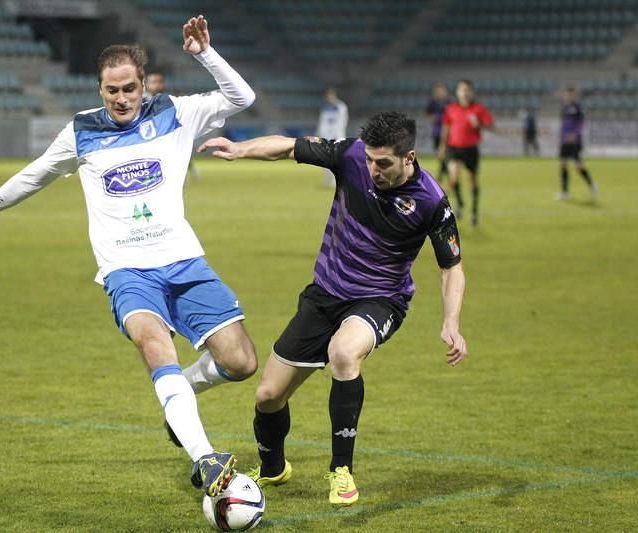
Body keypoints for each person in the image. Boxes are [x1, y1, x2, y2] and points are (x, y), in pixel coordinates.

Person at [0, 16, 257, 498]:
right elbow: (32, 176)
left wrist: (203, 54)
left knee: (241, 361)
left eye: (129, 88)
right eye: (112, 91)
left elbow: (242, 99)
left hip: (185, 261)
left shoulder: (175, 111)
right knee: (155, 347)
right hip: (126, 270)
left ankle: (182, 398)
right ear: (100, 89)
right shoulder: (81, 130)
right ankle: (205, 458)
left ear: (144, 85)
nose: (121, 98)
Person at [198, 111, 468, 506]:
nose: (373, 169)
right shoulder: (352, 155)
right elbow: (289, 147)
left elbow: (452, 268)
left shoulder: (431, 201)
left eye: (384, 163)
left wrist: (452, 322)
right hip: (325, 294)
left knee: (343, 351)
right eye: (371, 160)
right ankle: (273, 468)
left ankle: (342, 471)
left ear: (409, 157)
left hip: (380, 299)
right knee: (268, 396)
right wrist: (241, 149)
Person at [438, 80, 493, 226]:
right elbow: (446, 128)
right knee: (453, 179)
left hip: (470, 149)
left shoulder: (478, 109)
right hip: (453, 148)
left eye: (467, 89)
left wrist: (479, 124)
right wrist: (442, 146)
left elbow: (491, 126)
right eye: (462, 90)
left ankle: (474, 212)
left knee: (473, 181)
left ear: (472, 92)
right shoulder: (451, 109)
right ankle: (460, 203)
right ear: (457, 92)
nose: (465, 92)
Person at [145, 71, 202, 183]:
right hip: (149, 135)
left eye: (159, 82)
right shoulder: (139, 100)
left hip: (167, 132)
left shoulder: (168, 99)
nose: (157, 85)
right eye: (153, 82)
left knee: (180, 151)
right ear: (146, 84)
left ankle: (185, 174)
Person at [557, 87, 598, 201]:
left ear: (574, 95)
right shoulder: (564, 108)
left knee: (578, 166)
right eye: (567, 94)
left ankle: (592, 184)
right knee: (562, 164)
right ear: (565, 95)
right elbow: (563, 125)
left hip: (575, 142)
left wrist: (574, 134)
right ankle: (565, 193)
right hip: (565, 141)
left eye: (571, 94)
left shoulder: (577, 107)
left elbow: (581, 123)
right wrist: (561, 138)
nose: (569, 96)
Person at [316, 87, 349, 188]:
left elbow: (342, 122)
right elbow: (322, 123)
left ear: (334, 95)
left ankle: (337, 180)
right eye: (328, 96)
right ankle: (328, 180)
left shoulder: (341, 107)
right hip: (326, 138)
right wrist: (319, 134)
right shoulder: (325, 108)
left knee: (337, 159)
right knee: (325, 159)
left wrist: (337, 135)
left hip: (336, 137)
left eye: (331, 95)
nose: (329, 97)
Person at [426, 81, 450, 181]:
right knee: (440, 155)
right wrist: (432, 118)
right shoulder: (433, 102)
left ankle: (441, 175)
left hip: (448, 133)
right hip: (436, 132)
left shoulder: (449, 102)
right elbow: (427, 114)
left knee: (445, 154)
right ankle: (446, 173)